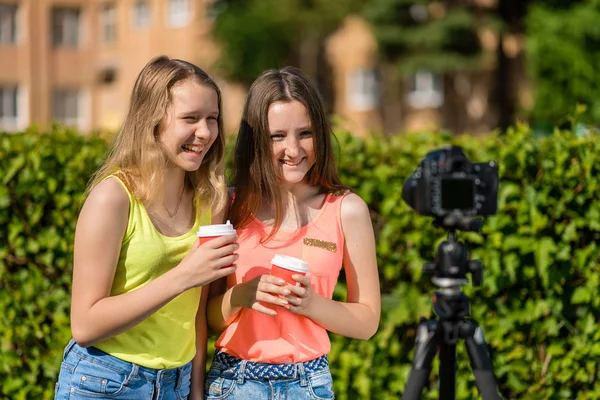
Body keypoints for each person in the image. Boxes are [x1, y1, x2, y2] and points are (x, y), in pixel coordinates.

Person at [54, 56, 238, 400]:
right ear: (152, 121)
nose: (205, 132)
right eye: (190, 119)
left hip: (177, 383)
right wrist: (184, 275)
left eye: (212, 118)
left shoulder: (209, 200)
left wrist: (195, 390)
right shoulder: (112, 198)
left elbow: (196, 312)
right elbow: (85, 325)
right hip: (107, 381)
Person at [205, 67, 380, 399]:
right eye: (277, 136)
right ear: (256, 140)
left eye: (305, 133)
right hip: (233, 383)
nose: (294, 149)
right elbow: (207, 317)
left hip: (309, 385)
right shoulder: (227, 205)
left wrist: (310, 303)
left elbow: (368, 321)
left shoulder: (347, 209)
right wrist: (243, 296)